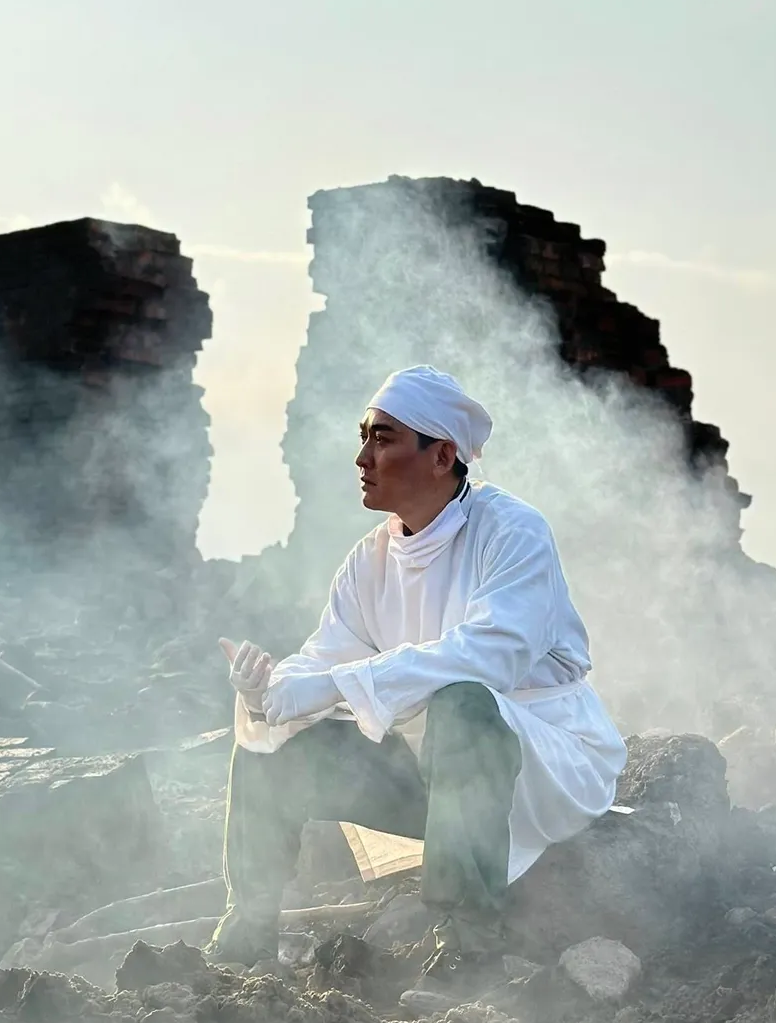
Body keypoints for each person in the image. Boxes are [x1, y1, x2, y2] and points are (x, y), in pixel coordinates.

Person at [207, 365, 627, 978]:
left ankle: (468, 944)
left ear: (442, 455)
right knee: (277, 735)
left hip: (538, 761)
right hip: (437, 776)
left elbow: (493, 657)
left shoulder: (512, 531)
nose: (362, 457)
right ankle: (246, 929)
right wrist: (266, 692)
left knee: (463, 701)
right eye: (364, 437)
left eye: (382, 439)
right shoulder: (368, 561)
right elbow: (325, 659)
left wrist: (328, 685)